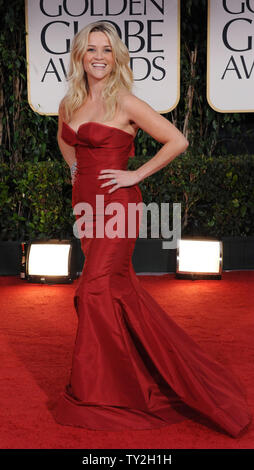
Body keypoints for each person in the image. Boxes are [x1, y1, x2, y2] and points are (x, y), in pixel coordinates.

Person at [54, 20, 251, 437]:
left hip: (118, 208)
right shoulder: (70, 101)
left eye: (107, 50)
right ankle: (133, 374)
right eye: (91, 50)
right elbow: (64, 138)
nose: (99, 58)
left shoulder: (125, 101)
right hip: (85, 206)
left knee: (92, 290)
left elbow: (176, 140)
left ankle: (105, 389)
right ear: (80, 56)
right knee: (114, 292)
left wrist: (134, 175)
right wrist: (74, 167)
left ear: (117, 56)